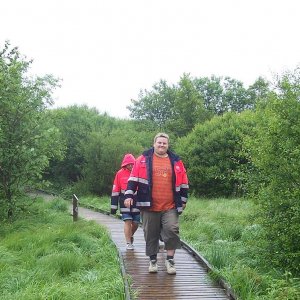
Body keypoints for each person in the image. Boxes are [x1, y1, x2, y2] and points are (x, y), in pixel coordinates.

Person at [124, 133, 189, 274]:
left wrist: (183, 200)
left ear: (168, 145)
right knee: (150, 233)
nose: (162, 145)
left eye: (164, 143)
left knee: (172, 230)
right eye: (159, 143)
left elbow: (183, 182)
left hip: (170, 206)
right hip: (149, 205)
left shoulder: (177, 162)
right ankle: (153, 260)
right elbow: (132, 179)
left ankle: (170, 260)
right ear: (154, 144)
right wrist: (128, 195)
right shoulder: (142, 159)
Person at [111, 153, 140, 250]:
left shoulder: (139, 172)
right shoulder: (119, 173)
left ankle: (130, 235)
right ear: (125, 164)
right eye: (129, 164)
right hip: (124, 202)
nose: (131, 166)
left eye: (132, 164)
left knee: (136, 223)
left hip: (137, 202)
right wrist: (113, 207)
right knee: (128, 221)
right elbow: (115, 190)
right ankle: (128, 243)